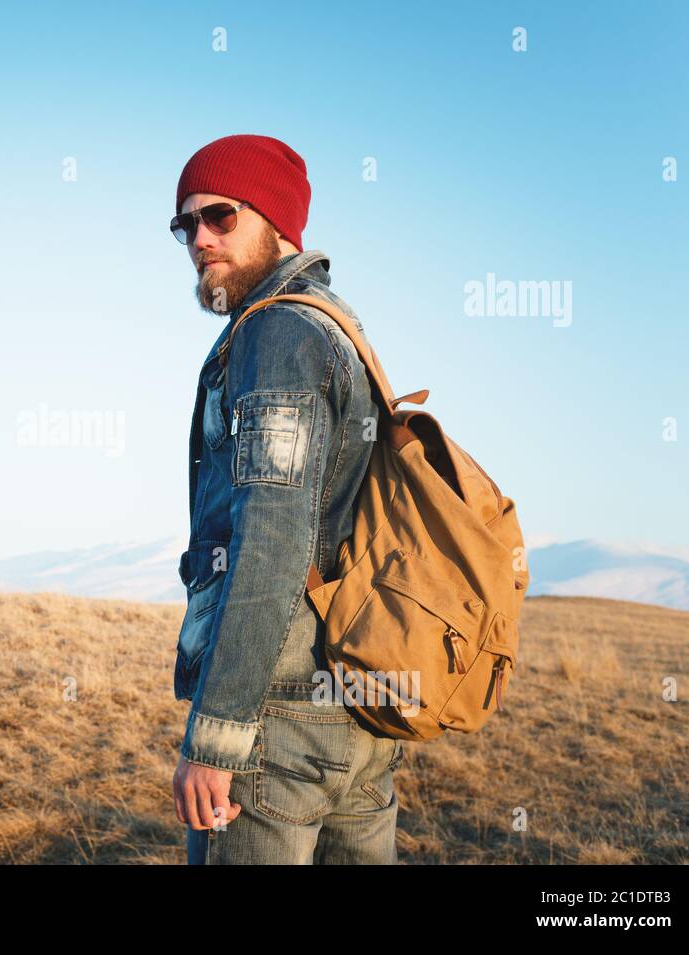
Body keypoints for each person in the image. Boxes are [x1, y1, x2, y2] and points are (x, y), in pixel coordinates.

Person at [170, 134, 404, 864]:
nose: (200, 239)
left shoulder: (277, 332)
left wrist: (217, 736)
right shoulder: (340, 327)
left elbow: (271, 538)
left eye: (220, 216)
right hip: (358, 714)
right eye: (186, 226)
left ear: (275, 222)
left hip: (279, 724)